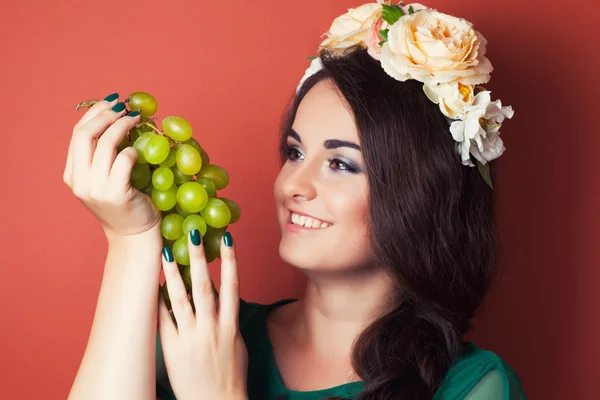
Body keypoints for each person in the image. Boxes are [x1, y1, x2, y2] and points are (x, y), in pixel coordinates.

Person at [66, 2, 525, 400]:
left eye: (341, 164)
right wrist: (131, 240)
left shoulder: (471, 386)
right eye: (295, 152)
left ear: (423, 193)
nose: (293, 185)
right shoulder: (205, 334)